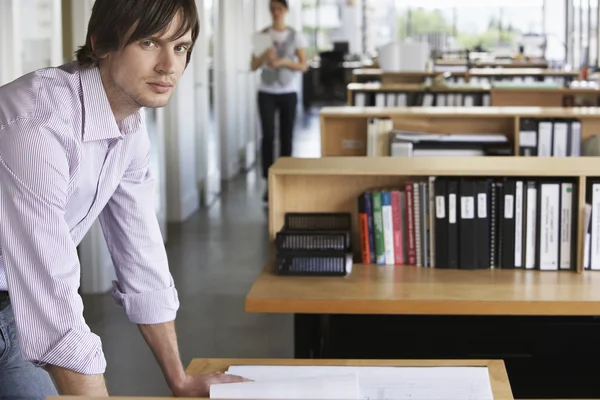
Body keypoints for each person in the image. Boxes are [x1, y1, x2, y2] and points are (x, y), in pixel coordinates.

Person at [0, 0, 247, 398]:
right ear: (101, 43)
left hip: (12, 313)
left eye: (181, 47)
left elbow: (142, 253)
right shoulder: (35, 125)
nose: (169, 65)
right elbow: (50, 291)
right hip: (29, 304)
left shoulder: (127, 126)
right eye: (149, 42)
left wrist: (179, 381)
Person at [250, 0, 308, 203]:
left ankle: (285, 179)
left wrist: (283, 61)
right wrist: (265, 55)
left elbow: (303, 66)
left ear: (286, 10)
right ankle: (269, 182)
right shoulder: (262, 35)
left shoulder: (296, 35)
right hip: (266, 92)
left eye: (279, 9)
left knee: (286, 136)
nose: (276, 12)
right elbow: (253, 65)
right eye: (272, 9)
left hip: (288, 92)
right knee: (267, 137)